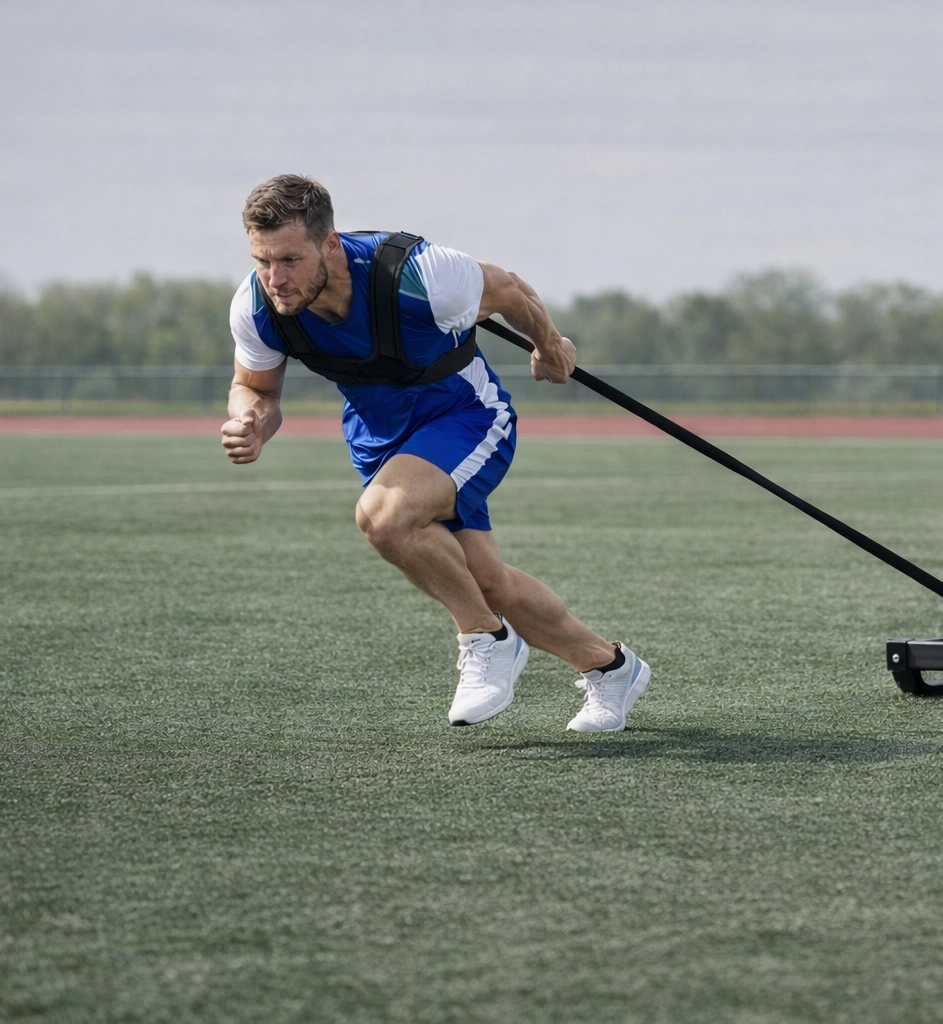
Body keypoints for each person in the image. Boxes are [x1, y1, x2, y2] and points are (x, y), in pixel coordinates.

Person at [220, 174, 650, 732]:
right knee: (485, 579)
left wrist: (549, 346)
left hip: (465, 416)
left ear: (330, 243)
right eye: (262, 260)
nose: (275, 278)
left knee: (384, 518)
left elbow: (511, 290)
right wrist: (250, 420)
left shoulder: (419, 276)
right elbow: (256, 388)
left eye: (289, 260)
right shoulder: (256, 306)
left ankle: (486, 637)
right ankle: (612, 668)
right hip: (381, 438)